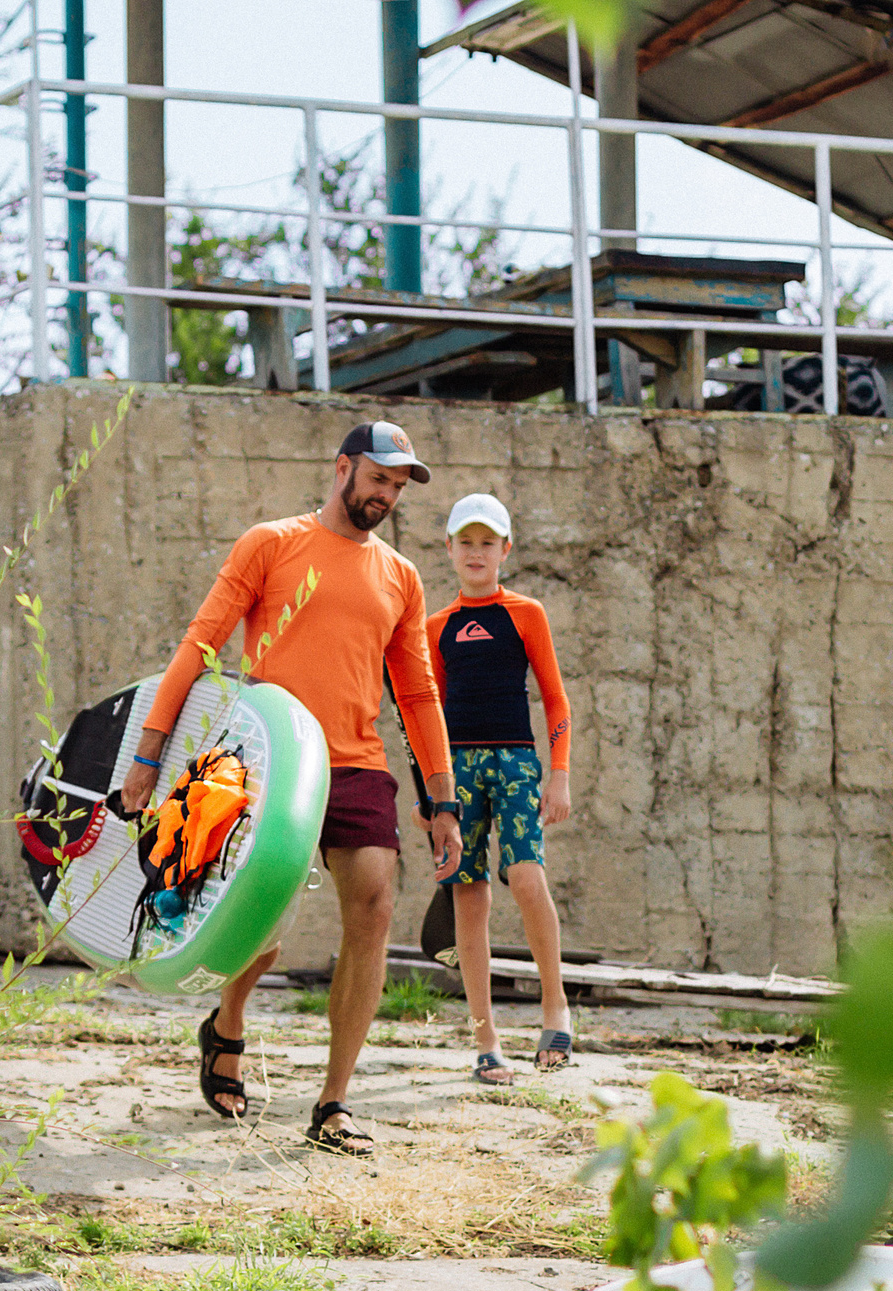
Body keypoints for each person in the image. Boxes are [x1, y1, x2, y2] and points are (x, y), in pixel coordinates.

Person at [122, 421, 463, 1157]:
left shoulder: (401, 576)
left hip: (358, 759)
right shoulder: (271, 543)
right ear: (342, 469)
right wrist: (148, 752)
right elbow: (202, 639)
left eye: (399, 487)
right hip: (272, 753)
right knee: (264, 929)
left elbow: (419, 692)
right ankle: (229, 1023)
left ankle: (334, 1099)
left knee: (373, 906)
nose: (387, 497)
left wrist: (443, 798)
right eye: (379, 479)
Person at [424, 492, 574, 1080]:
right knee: (470, 894)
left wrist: (558, 773)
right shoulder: (437, 626)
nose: (477, 552)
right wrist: (429, 796)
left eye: (488, 543)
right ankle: (486, 1041)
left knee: (527, 878)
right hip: (455, 773)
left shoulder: (526, 614)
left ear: (505, 550)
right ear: (450, 550)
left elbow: (556, 698)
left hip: (516, 764)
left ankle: (555, 1006)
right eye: (467, 542)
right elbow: (424, 713)